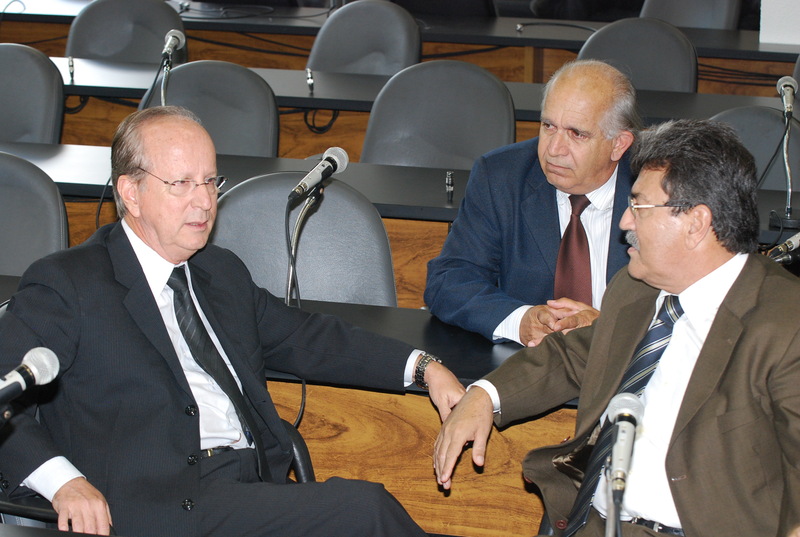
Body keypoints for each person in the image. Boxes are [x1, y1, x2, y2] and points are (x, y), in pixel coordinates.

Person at [0, 106, 466, 537]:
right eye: (181, 183)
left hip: (249, 483)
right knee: (364, 510)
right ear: (131, 193)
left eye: (209, 181)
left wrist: (423, 367)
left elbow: (308, 337)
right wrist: (63, 482)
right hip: (158, 505)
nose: (204, 202)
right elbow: (3, 391)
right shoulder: (70, 282)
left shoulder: (218, 271)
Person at [433, 119, 800, 536]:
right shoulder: (635, 289)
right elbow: (574, 354)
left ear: (696, 223)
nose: (624, 221)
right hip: (593, 523)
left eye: (638, 207)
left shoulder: (785, 324)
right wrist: (485, 395)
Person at [424, 60, 639, 347]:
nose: (554, 149)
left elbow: (687, 302)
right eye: (548, 126)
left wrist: (608, 327)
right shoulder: (502, 176)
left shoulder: (659, 186)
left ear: (619, 144)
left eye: (576, 134)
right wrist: (519, 320)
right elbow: (450, 280)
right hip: (527, 361)